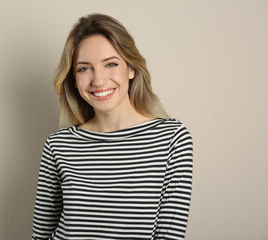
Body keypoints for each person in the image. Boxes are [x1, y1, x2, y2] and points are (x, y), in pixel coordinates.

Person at [32, 13, 193, 240]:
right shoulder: (58, 145)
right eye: (84, 68)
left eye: (110, 64)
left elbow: (169, 235)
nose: (98, 80)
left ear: (131, 68)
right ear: (74, 81)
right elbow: (40, 234)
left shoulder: (172, 139)